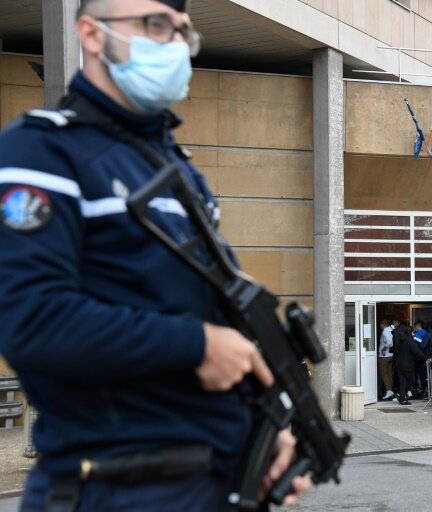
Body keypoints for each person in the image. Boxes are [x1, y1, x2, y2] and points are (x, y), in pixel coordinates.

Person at [0, 1, 311, 509]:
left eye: (183, 32)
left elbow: (200, 311)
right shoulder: (39, 154)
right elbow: (33, 322)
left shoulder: (177, 169)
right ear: (91, 35)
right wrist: (198, 345)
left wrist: (257, 429)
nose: (173, 44)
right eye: (155, 25)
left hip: (207, 483)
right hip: (114, 489)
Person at [393, 323, 426, 405]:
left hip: (399, 363)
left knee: (403, 381)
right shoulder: (409, 340)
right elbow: (416, 351)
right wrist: (426, 358)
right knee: (410, 381)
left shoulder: (400, 339)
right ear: (411, 332)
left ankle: (402, 397)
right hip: (407, 364)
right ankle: (402, 396)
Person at [378, 318, 397, 400]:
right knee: (389, 373)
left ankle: (389, 390)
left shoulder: (385, 331)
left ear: (382, 324)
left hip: (384, 356)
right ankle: (391, 390)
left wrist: (383, 349)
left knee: (383, 374)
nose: (379, 326)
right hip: (390, 355)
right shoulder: (390, 330)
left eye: (380, 325)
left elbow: (389, 342)